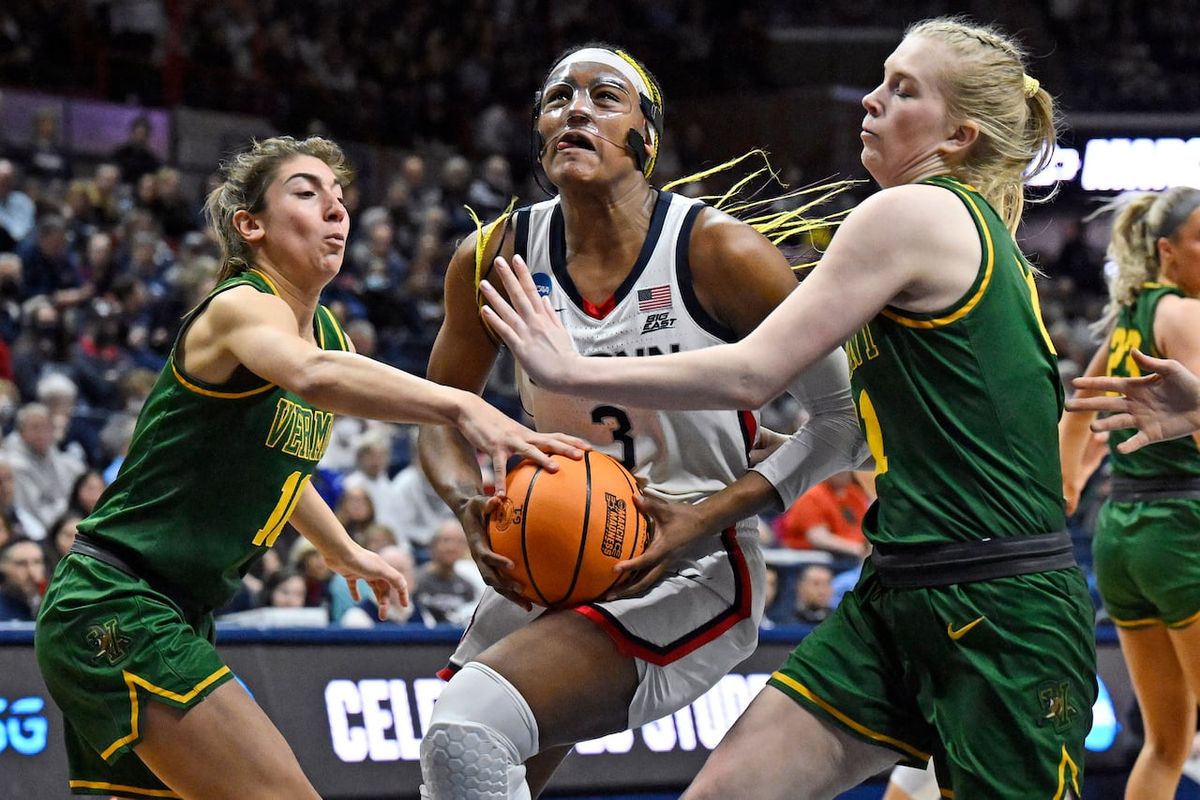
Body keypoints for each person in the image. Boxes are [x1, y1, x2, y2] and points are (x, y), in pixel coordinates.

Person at [482, 19, 1097, 798]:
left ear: (959, 134)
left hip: (999, 605)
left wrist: (572, 368)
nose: (871, 100)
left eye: (903, 90)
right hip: (897, 595)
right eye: (881, 79)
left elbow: (753, 371)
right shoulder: (951, 227)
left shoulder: (912, 213)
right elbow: (932, 419)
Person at [33, 135, 585, 800]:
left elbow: (278, 466)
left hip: (168, 612)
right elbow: (311, 376)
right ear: (251, 225)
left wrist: (343, 549)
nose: (336, 209)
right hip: (119, 603)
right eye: (307, 192)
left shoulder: (328, 332)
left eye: (341, 198)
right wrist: (462, 406)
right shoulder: (240, 306)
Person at [419, 44, 866, 800]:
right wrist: (467, 504)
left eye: (604, 96)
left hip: (691, 564)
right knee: (465, 770)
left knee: (468, 730)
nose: (576, 110)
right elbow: (438, 415)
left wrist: (706, 516)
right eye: (558, 96)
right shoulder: (493, 256)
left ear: (645, 139)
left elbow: (844, 422)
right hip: (556, 549)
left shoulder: (719, 251)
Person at [1060, 187, 1200, 799]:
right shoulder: (1184, 314)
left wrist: (1066, 490)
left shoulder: (1125, 323)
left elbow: (1075, 420)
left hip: (1121, 533)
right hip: (1182, 526)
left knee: (1168, 742)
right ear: (1168, 251)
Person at [1069, 349, 1200, 450]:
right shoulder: (1125, 317)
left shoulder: (1177, 317)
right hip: (1126, 471)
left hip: (1177, 475)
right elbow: (1078, 415)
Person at [0, 536, 44, 621]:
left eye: (37, 562)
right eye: (21, 564)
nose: (31, 572)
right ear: (3, 566)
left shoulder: (53, 603)